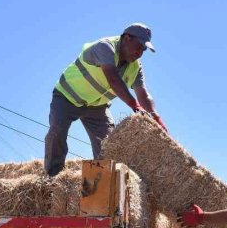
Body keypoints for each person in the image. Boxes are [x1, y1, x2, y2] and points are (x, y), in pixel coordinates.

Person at [45, 23, 166, 176]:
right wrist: (135, 106)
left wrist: (156, 117)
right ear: (127, 38)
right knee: (57, 130)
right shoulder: (105, 47)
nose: (140, 52)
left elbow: (143, 94)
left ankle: (101, 184)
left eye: (143, 50)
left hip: (97, 107)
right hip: (67, 96)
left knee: (108, 143)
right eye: (138, 46)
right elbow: (113, 79)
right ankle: (53, 176)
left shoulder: (135, 67)